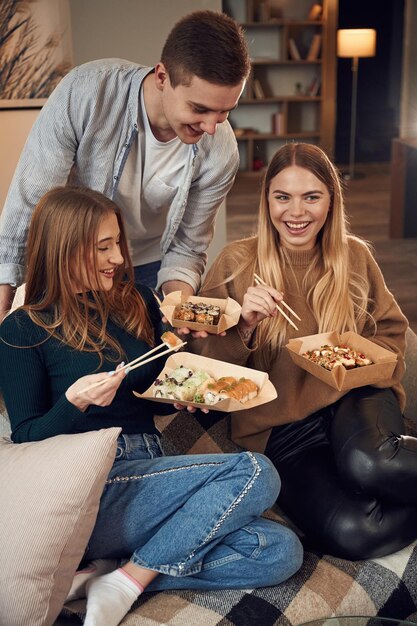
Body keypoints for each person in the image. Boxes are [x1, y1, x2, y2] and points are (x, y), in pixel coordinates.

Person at [0, 186, 303, 626]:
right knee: (256, 471)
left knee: (278, 551)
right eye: (103, 247)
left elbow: (161, 383)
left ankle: (121, 573)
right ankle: (127, 579)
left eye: (116, 245)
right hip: (94, 487)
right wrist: (73, 403)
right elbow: (25, 438)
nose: (118, 259)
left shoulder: (136, 301)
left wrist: (184, 394)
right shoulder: (23, 329)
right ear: (64, 249)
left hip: (154, 475)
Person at [193, 142, 417, 561]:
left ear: (331, 200)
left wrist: (354, 362)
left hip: (353, 396)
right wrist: (244, 325)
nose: (296, 213)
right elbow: (206, 374)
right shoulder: (235, 263)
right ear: (267, 201)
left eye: (311, 197)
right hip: (282, 428)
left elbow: (392, 333)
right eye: (283, 197)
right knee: (356, 531)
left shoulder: (354, 255)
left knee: (370, 466)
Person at [0, 10, 251, 322]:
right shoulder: (85, 92)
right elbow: (32, 200)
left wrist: (178, 310)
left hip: (150, 268)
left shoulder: (221, 150)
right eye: (199, 109)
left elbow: (188, 247)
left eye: (225, 111)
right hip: (72, 265)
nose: (212, 127)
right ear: (162, 77)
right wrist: (7, 283)